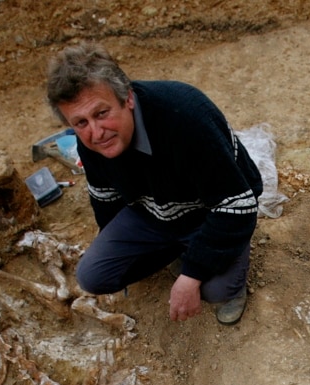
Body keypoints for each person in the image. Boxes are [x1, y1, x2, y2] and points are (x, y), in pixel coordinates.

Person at [45, 43, 262, 325]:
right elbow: (106, 200)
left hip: (210, 211)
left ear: (128, 99)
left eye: (102, 113)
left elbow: (237, 203)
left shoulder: (185, 117)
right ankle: (178, 250)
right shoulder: (91, 141)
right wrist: (120, 253)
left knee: (215, 290)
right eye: (80, 122)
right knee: (93, 275)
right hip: (154, 213)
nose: (96, 133)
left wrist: (191, 276)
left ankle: (229, 283)